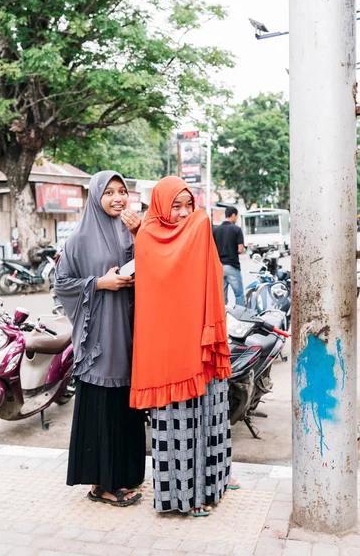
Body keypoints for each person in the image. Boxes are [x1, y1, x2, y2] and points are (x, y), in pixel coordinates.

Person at [130, 176, 238, 517]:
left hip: (201, 341)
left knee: (210, 416)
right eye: (174, 206)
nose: (182, 212)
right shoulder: (146, 237)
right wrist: (139, 233)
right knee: (176, 423)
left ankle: (212, 485)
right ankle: (183, 497)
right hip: (168, 350)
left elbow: (201, 225)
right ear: (160, 206)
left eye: (186, 204)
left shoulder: (200, 226)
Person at [55, 170, 146, 507]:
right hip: (100, 343)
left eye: (122, 191)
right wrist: (98, 283)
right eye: (109, 192)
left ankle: (125, 475)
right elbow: (61, 285)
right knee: (103, 408)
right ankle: (101, 484)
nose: (118, 198)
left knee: (126, 408)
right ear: (95, 196)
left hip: (130, 336)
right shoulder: (78, 240)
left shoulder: (130, 233)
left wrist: (140, 235)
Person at [213, 206, 245, 307]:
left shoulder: (215, 230)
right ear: (233, 215)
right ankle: (240, 319)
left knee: (222, 297)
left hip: (219, 267)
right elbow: (240, 249)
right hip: (232, 266)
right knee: (239, 294)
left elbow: (212, 249)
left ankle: (224, 318)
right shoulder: (237, 229)